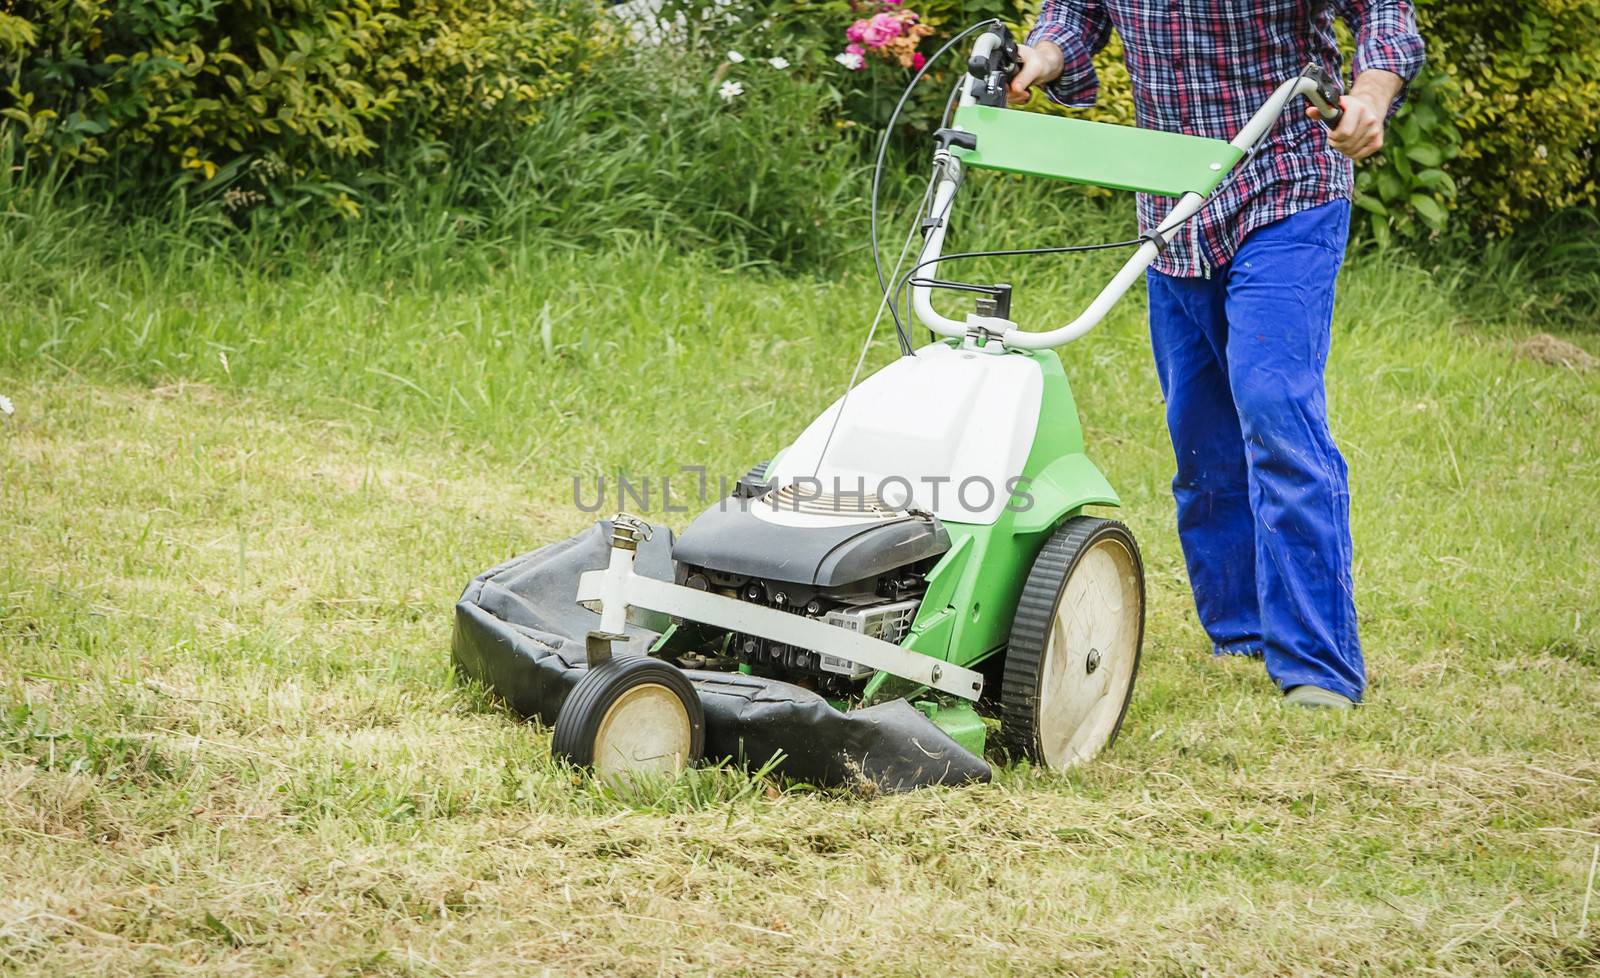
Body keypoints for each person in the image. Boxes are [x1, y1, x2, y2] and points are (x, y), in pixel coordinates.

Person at [1009, 1, 1424, 708]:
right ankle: (1240, 632)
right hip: (1175, 203)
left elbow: (1385, 11)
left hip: (1288, 184)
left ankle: (1317, 666)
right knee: (1198, 430)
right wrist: (1040, 57)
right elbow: (1074, 14)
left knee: (1273, 404)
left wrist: (1370, 93)